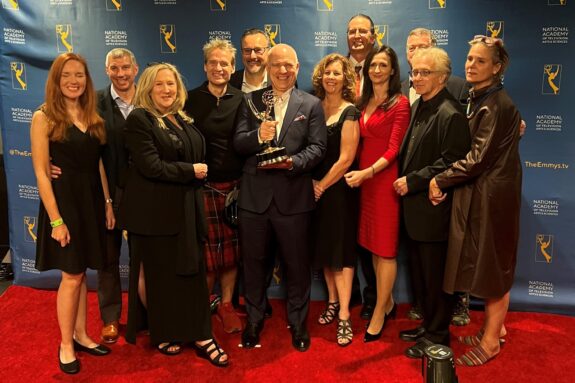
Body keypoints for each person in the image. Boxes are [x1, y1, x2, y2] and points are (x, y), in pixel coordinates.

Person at [119, 63, 228, 367]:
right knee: (161, 277)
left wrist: (193, 171)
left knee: (189, 274)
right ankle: (167, 332)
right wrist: (190, 171)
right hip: (155, 214)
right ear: (148, 89)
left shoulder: (180, 117)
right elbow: (150, 166)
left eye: (172, 84)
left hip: (184, 209)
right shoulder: (141, 118)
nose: (167, 90)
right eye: (160, 85)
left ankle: (194, 332)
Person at [429, 35, 521, 367]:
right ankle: (491, 330)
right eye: (469, 58)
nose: (471, 64)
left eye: (480, 61)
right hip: (484, 193)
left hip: (493, 196)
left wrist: (439, 178)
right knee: (486, 264)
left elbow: (477, 159)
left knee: (494, 268)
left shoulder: (496, 104)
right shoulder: (481, 97)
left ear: (497, 67)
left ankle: (492, 340)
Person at [234, 43, 326, 352]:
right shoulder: (250, 100)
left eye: (289, 65)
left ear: (297, 68)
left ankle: (298, 322)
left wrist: (293, 163)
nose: (283, 70)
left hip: (294, 198)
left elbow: (318, 148)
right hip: (254, 200)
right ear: (267, 68)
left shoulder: (311, 104)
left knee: (297, 266)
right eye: (277, 65)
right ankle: (254, 319)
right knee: (254, 265)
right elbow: (238, 143)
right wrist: (258, 135)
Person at [31, 53, 114, 374]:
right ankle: (66, 344)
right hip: (64, 204)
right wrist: (55, 220)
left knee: (81, 274)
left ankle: (81, 335)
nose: (73, 80)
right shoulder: (44, 117)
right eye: (66, 75)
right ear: (56, 79)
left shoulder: (90, 113)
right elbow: (40, 172)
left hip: (91, 200)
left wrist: (107, 202)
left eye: (79, 74)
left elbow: (98, 164)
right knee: (71, 276)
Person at [393, 47, 471, 359]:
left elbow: (453, 160)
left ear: (442, 77)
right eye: (414, 72)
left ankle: (438, 335)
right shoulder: (421, 106)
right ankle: (428, 326)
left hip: (433, 210)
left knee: (436, 277)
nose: (417, 77)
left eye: (425, 72)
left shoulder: (450, 113)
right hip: (416, 211)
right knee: (421, 275)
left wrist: (413, 181)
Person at [344, 45, 409, 342]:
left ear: (393, 70)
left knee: (385, 250)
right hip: (363, 184)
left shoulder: (400, 103)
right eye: (373, 65)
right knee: (371, 246)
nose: (377, 70)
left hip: (383, 182)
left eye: (383, 65)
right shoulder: (363, 100)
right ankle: (388, 301)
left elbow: (394, 149)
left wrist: (368, 173)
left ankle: (381, 310)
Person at [185, 38, 244, 334]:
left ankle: (227, 304)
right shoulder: (190, 99)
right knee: (208, 253)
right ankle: (204, 304)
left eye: (225, 63)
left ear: (233, 68)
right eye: (214, 63)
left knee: (232, 253)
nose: (219, 68)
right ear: (205, 66)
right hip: (202, 186)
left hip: (235, 186)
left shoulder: (241, 99)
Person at [310, 53, 360, 347]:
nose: (331, 77)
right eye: (327, 72)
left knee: (341, 254)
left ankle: (344, 315)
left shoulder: (350, 111)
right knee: (325, 250)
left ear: (346, 79)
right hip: (315, 190)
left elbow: (346, 159)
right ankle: (331, 300)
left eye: (337, 73)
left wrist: (321, 186)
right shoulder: (314, 107)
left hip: (337, 191)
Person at [346, 13, 378, 320]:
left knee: (370, 237)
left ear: (373, 35)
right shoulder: (337, 70)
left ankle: (374, 298)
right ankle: (348, 295)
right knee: (345, 233)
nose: (356, 36)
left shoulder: (383, 69)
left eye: (362, 31)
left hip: (372, 168)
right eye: (352, 31)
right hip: (342, 166)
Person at [230, 28, 270, 92]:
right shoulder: (229, 83)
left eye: (258, 50)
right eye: (247, 50)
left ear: (268, 51)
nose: (252, 56)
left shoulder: (280, 81)